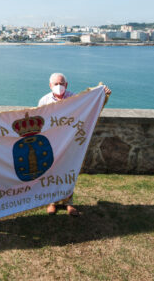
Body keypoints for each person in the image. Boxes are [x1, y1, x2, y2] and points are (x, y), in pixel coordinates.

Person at [38, 72, 111, 217]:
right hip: (51, 143)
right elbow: (39, 121)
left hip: (70, 141)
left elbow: (89, 106)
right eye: (56, 84)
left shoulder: (75, 98)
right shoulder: (44, 100)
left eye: (61, 83)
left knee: (68, 172)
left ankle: (68, 203)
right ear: (50, 85)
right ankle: (51, 202)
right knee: (51, 173)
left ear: (66, 84)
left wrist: (102, 95)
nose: (59, 86)